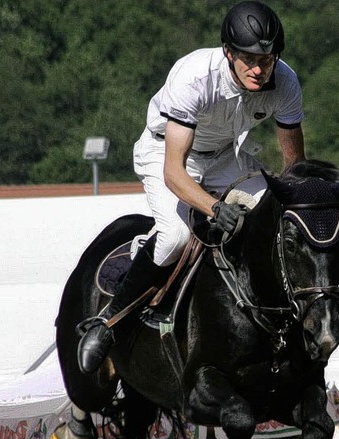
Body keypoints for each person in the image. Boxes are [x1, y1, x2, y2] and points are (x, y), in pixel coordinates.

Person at [77, 1, 306, 374]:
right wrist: (215, 208)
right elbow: (174, 172)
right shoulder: (194, 76)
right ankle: (109, 321)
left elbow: (293, 167)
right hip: (166, 153)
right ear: (228, 52)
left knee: (273, 222)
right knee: (177, 237)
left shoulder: (286, 81)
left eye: (267, 59)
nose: (259, 69)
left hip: (226, 156)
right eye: (249, 58)